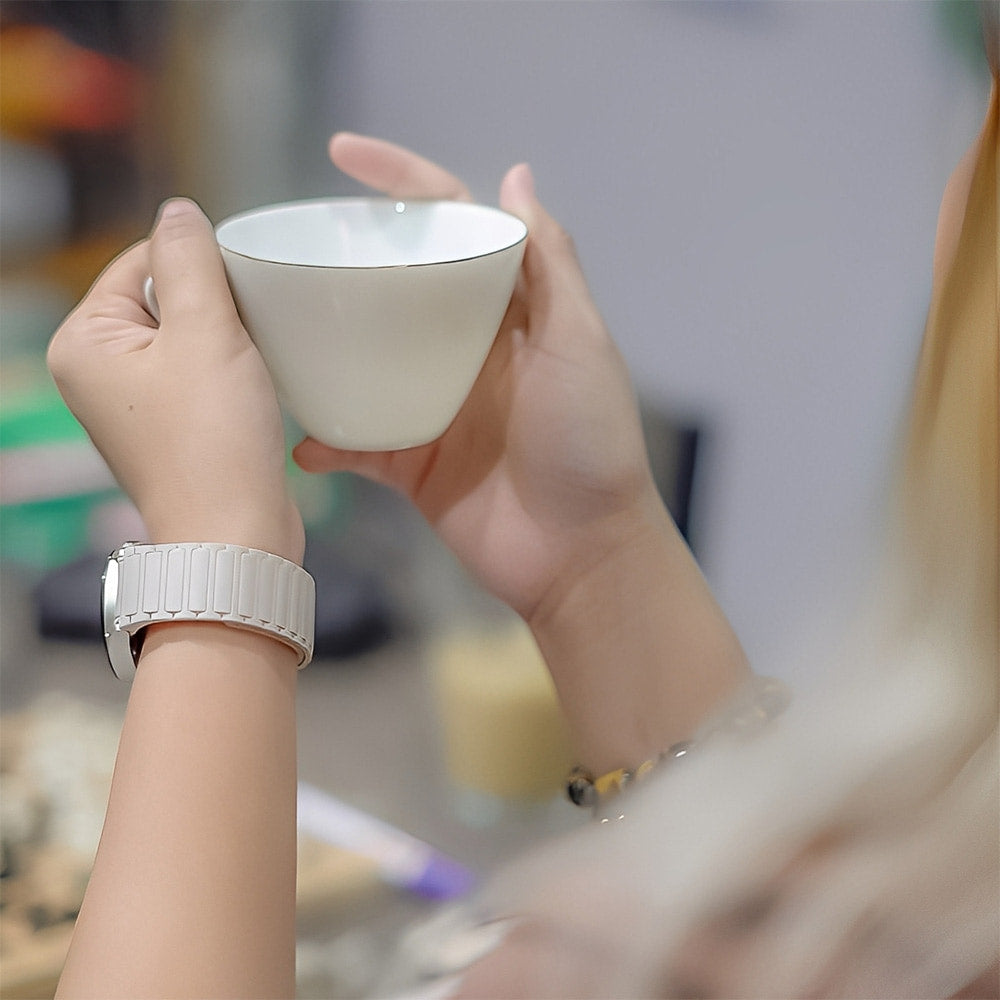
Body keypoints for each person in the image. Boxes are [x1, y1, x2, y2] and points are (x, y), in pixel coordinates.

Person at [47, 24, 997, 999]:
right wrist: (592, 557)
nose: (953, 188)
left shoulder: (585, 963)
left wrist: (217, 562)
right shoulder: (935, 861)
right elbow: (773, 897)